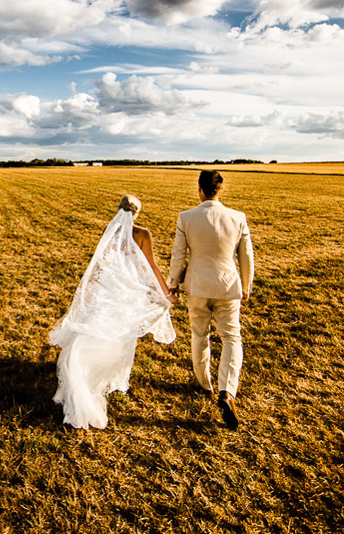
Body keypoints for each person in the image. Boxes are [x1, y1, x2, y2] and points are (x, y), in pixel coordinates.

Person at [49, 195, 176, 429]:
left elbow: (100, 263)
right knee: (121, 336)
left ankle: (87, 370)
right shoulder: (143, 234)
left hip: (107, 288)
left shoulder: (110, 229)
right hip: (128, 292)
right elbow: (151, 266)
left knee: (99, 329)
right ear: (137, 213)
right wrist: (166, 293)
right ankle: (109, 377)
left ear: (119, 210)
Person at [166, 170, 254, 430]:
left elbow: (178, 256)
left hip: (197, 287)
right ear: (220, 189)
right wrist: (246, 286)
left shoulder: (186, 218)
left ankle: (205, 384)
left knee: (199, 335)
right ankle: (227, 391)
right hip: (228, 287)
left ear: (199, 189)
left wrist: (173, 285)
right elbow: (246, 256)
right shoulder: (238, 218)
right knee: (231, 337)